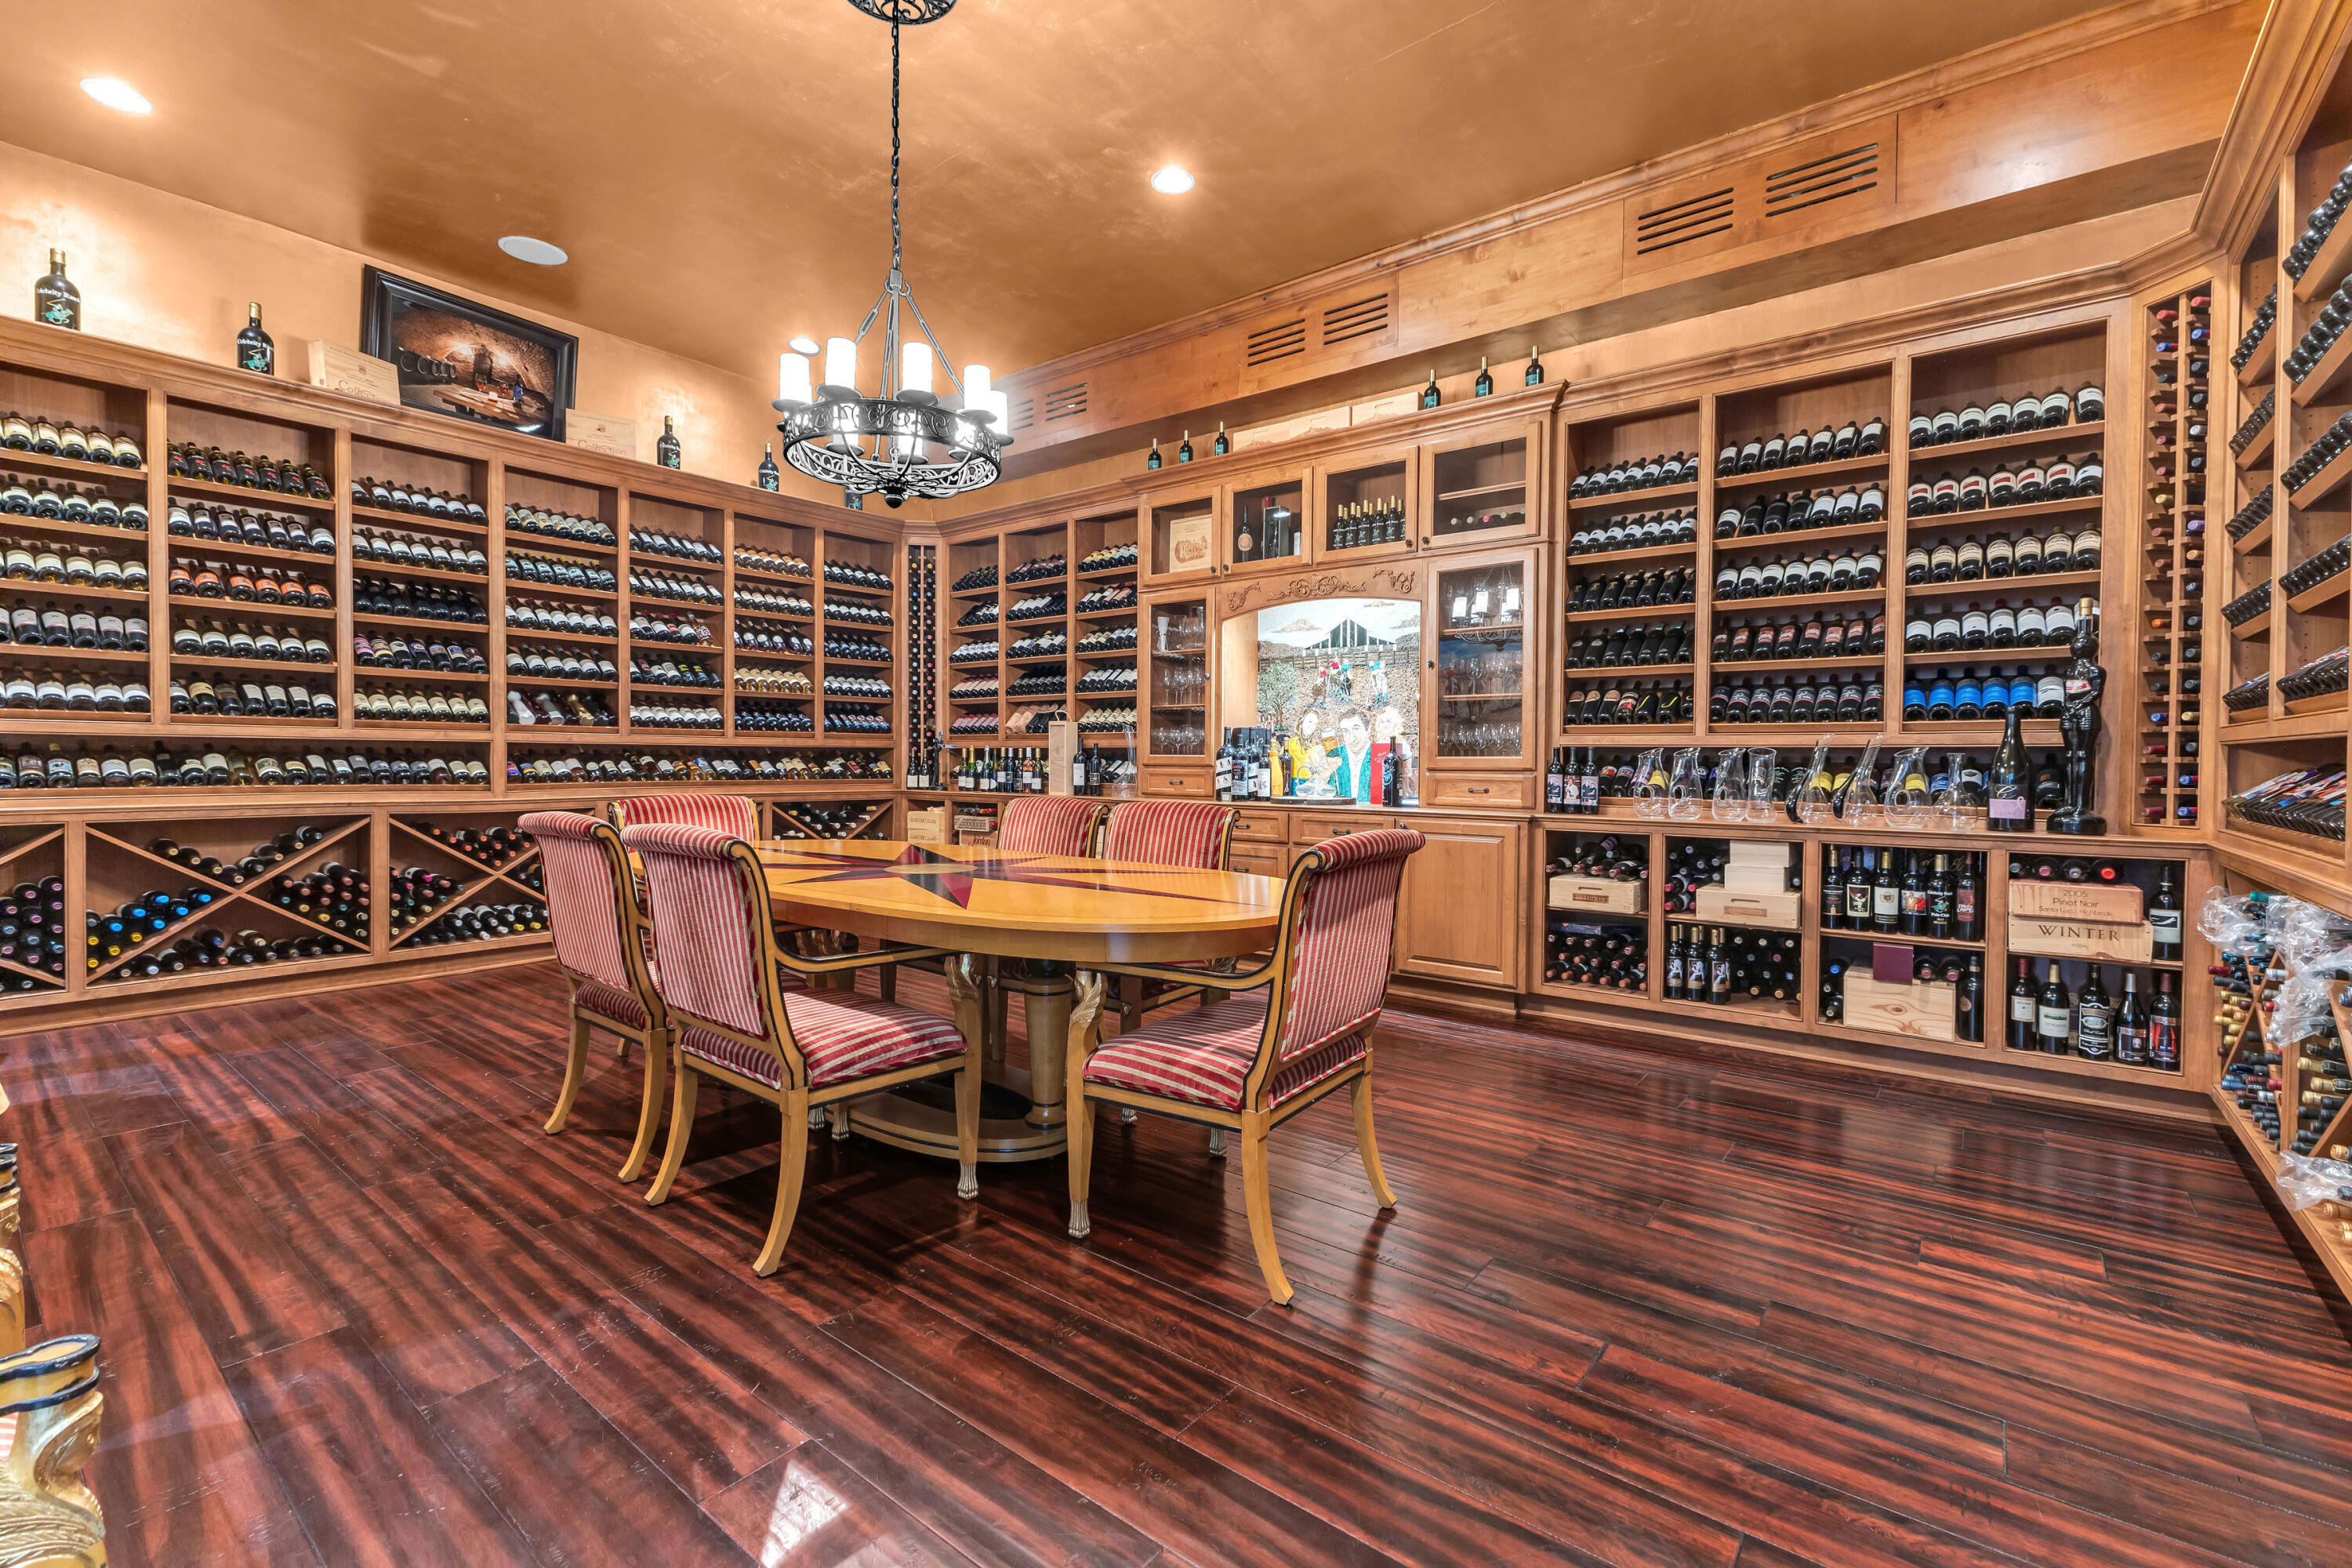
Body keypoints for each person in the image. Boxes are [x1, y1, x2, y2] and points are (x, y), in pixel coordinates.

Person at [1329, 712, 1375, 804]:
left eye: (1356, 729)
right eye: (1345, 731)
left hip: (1374, 814)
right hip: (1342, 814)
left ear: (1368, 729)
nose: (1351, 738)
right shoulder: (1335, 755)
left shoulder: (1379, 754)